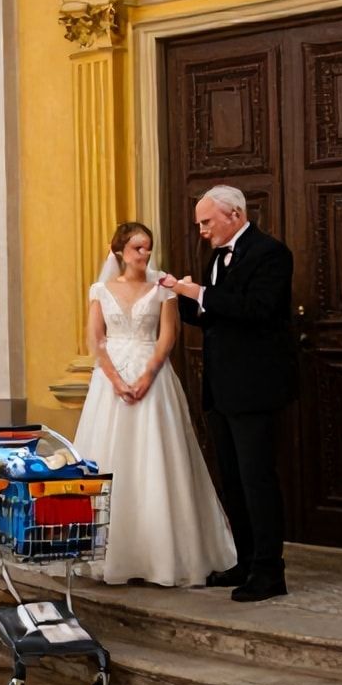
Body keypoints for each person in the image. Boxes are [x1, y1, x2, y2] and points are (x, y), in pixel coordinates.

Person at [73, 222, 236, 587]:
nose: (145, 254)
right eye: (136, 248)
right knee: (112, 457)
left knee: (157, 456)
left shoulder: (163, 286)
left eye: (148, 247)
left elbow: (168, 336)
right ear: (118, 252)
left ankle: (162, 555)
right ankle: (111, 553)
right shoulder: (101, 289)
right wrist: (115, 379)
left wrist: (147, 375)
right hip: (110, 379)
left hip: (154, 374)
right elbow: (95, 338)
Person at [161, 185, 295, 602]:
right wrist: (180, 299)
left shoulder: (271, 253)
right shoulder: (217, 256)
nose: (201, 230)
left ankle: (270, 571)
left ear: (234, 215)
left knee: (257, 480)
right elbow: (217, 316)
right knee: (233, 480)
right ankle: (246, 559)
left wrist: (198, 293)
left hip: (255, 388)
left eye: (207, 221)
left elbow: (257, 309)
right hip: (221, 388)